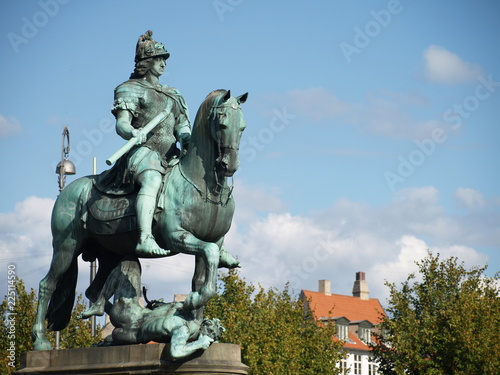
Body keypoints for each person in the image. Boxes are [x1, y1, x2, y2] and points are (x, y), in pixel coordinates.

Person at [111, 30, 191, 257]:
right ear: (146, 62)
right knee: (153, 178)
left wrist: (185, 136)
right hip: (143, 153)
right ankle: (145, 237)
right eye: (158, 59)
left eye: (164, 59)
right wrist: (133, 132)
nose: (163, 64)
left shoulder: (174, 94)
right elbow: (121, 124)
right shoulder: (129, 89)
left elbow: (182, 125)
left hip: (172, 154)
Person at [81, 256, 224, 359]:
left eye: (211, 330)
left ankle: (98, 301)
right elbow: (198, 282)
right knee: (129, 262)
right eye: (211, 324)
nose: (209, 324)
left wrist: (200, 343)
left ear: (207, 336)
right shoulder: (189, 317)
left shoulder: (185, 330)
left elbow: (176, 352)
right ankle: (98, 300)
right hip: (138, 315)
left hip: (132, 321)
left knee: (128, 263)